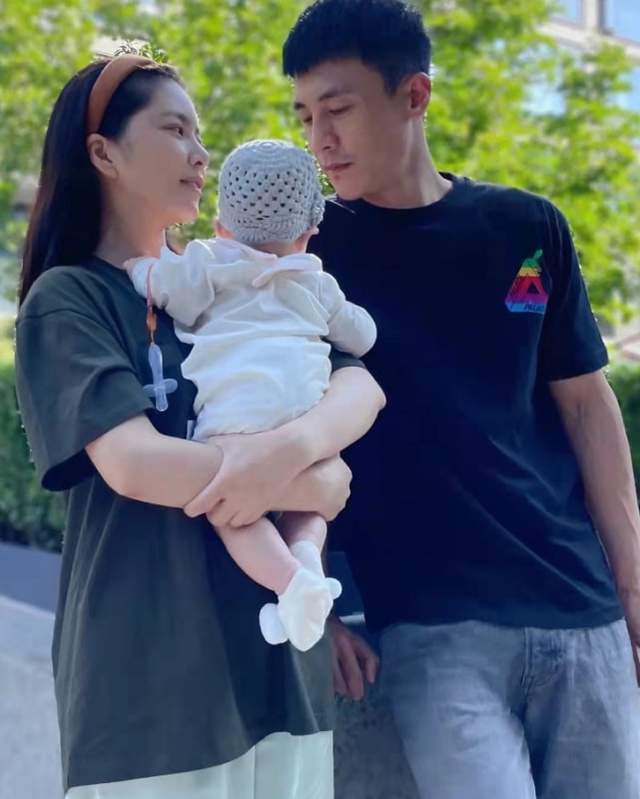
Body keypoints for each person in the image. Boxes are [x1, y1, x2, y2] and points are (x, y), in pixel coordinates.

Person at [279, 1, 640, 796]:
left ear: (414, 95)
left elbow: (587, 407)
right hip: (433, 628)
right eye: (304, 115)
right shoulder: (310, 253)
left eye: (338, 109)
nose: (319, 139)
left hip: (583, 610)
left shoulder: (527, 228)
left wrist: (632, 583)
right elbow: (274, 422)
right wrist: (311, 603)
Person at [14, 55, 385, 798]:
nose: (200, 153)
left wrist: (294, 449)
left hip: (282, 681)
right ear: (104, 153)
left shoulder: (232, 278)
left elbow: (361, 386)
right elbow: (133, 462)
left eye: (201, 135)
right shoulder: (70, 299)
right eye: (175, 130)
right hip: (150, 696)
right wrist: (310, 479)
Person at [124, 138, 377, 652]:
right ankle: (307, 564)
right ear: (308, 233)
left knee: (232, 509)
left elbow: (168, 291)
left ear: (221, 226)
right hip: (304, 403)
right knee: (309, 504)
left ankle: (290, 584)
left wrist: (138, 268)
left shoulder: (208, 263)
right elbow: (363, 337)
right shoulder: (317, 282)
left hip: (238, 409)